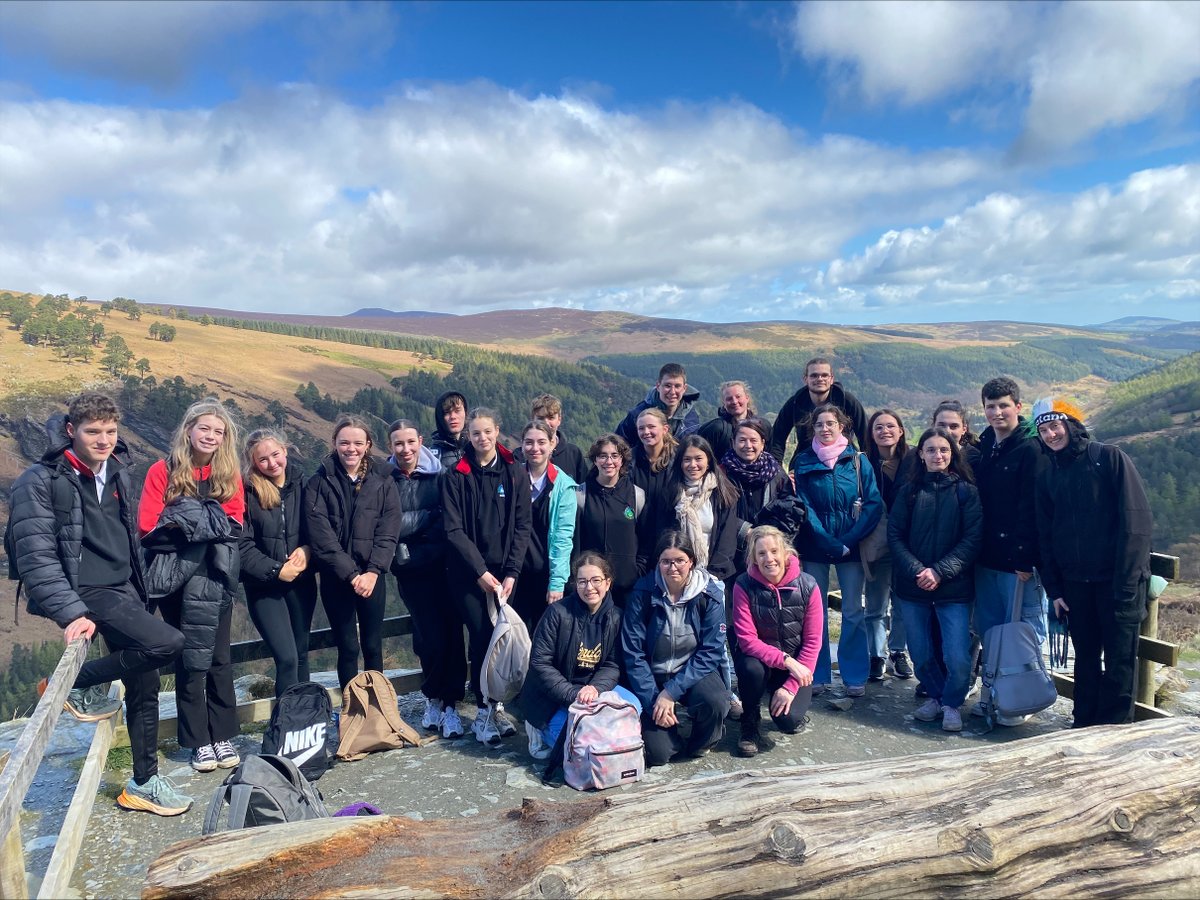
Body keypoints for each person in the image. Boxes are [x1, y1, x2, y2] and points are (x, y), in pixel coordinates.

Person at [11, 392, 190, 815]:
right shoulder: (39, 480)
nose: (104, 440)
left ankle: (144, 782)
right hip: (88, 592)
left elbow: (125, 535)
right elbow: (34, 554)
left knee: (145, 683)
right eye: (94, 432)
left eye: (111, 431)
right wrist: (71, 611)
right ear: (71, 431)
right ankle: (73, 683)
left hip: (126, 587)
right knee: (167, 644)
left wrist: (139, 583)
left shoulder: (117, 471)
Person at [139, 399, 245, 774]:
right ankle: (198, 741)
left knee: (218, 657)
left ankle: (223, 735)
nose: (211, 436)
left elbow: (235, 526)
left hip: (216, 577)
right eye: (205, 428)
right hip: (173, 578)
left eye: (219, 431)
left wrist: (184, 519)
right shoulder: (160, 471)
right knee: (188, 657)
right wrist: (206, 522)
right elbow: (150, 528)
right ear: (188, 430)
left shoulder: (228, 474)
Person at [1033, 398, 1152, 728]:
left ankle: (1115, 731)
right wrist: (1054, 589)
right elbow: (1046, 536)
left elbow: (1136, 522)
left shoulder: (1109, 458)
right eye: (1043, 430)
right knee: (1085, 659)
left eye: (1056, 426)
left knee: (1120, 662)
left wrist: (1127, 583)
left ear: (1071, 425)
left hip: (1116, 583)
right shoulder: (1048, 477)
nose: (1051, 434)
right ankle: (1083, 724)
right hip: (1074, 587)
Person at [440, 407, 533, 746]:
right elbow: (453, 530)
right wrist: (480, 572)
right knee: (481, 638)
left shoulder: (514, 473)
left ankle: (495, 706)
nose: (482, 438)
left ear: (497, 431)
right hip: (467, 575)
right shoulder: (455, 476)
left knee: (502, 640)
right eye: (475, 433)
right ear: (469, 436)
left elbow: (523, 526)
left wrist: (511, 572)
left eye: (487, 432)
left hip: (504, 577)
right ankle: (482, 710)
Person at [888, 428, 983, 732]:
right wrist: (919, 570)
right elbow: (895, 535)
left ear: (952, 454)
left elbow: (972, 539)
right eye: (931, 450)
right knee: (921, 652)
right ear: (921, 454)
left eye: (943, 450)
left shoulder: (966, 491)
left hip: (953, 588)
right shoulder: (910, 491)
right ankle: (938, 697)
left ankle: (952, 703)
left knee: (956, 655)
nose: (937, 455)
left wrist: (939, 571)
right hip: (913, 587)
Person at [790, 404, 882, 696]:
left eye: (831, 423)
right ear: (812, 429)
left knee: (853, 610)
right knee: (814, 612)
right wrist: (829, 541)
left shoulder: (857, 460)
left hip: (851, 546)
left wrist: (849, 540)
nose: (825, 429)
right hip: (815, 546)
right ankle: (816, 673)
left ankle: (854, 674)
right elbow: (804, 505)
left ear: (842, 426)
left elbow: (873, 503)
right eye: (820, 424)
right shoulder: (803, 460)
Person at [305, 415, 401, 691]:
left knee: (373, 645)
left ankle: (378, 710)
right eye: (344, 442)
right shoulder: (319, 482)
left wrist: (372, 572)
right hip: (337, 579)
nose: (351, 448)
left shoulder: (383, 480)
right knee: (347, 647)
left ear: (368, 445)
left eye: (358, 442)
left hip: (373, 577)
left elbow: (389, 529)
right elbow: (321, 536)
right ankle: (352, 710)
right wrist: (351, 574)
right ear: (334, 443)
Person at [622, 531, 729, 766]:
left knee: (716, 701)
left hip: (692, 671)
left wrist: (671, 692)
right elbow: (634, 654)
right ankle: (669, 734)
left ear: (691, 561)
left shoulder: (709, 594)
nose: (673, 568)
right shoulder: (643, 592)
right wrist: (654, 702)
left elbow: (711, 651)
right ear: (658, 563)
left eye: (679, 560)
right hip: (653, 674)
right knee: (660, 754)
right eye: (666, 561)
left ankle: (703, 741)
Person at [387, 418, 465, 740]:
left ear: (420, 440)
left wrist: (415, 533)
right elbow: (388, 525)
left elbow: (448, 519)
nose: (405, 449)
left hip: (442, 566)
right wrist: (425, 519)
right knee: (427, 636)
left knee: (451, 634)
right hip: (410, 571)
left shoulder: (440, 476)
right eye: (398, 444)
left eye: (410, 442)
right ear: (390, 446)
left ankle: (450, 704)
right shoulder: (384, 478)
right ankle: (432, 696)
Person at [522, 552, 639, 759]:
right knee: (579, 748)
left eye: (596, 580)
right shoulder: (557, 613)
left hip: (592, 689)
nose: (589, 587)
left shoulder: (617, 617)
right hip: (556, 693)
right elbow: (540, 663)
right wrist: (572, 694)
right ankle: (537, 728)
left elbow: (612, 664)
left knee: (634, 708)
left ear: (608, 582)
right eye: (582, 581)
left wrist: (595, 688)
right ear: (575, 584)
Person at [239, 428, 317, 699]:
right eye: (263, 460)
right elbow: (241, 545)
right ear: (253, 463)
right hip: (264, 586)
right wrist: (276, 570)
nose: (272, 463)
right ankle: (286, 726)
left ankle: (305, 721)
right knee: (286, 658)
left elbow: (319, 530)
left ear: (285, 450)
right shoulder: (247, 492)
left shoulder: (304, 484)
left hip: (301, 583)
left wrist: (308, 550)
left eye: (275, 454)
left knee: (302, 654)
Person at [731, 526, 822, 757]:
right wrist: (786, 661)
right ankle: (749, 721)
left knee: (788, 721)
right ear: (753, 558)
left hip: (795, 666)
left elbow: (812, 643)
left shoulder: (808, 585)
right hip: (762, 661)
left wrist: (791, 687)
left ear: (785, 552)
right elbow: (747, 640)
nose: (769, 559)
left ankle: (780, 696)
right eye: (761, 553)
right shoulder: (743, 585)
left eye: (774, 551)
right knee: (750, 668)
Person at [973, 377, 1048, 653]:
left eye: (1003, 406)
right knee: (989, 631)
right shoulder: (985, 445)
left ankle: (1024, 695)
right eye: (990, 406)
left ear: (1018, 406)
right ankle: (994, 693)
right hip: (986, 558)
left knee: (1024, 633)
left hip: (1018, 563)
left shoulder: (1032, 449)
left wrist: (1025, 557)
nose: (997, 413)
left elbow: (1034, 507)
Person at [513, 420, 578, 632]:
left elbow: (563, 537)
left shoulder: (563, 486)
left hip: (545, 576)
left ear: (553, 443)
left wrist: (557, 582)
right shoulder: (512, 478)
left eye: (542, 442)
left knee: (544, 641)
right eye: (529, 442)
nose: (535, 448)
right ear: (521, 446)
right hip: (515, 575)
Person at [862, 409, 912, 681]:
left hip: (908, 544)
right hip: (877, 542)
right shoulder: (863, 464)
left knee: (903, 603)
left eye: (890, 426)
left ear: (901, 430)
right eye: (878, 427)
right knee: (876, 602)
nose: (885, 431)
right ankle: (876, 655)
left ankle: (898, 651)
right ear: (871, 434)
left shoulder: (914, 459)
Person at [574, 434, 647, 609]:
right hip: (592, 587)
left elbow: (645, 539)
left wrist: (636, 571)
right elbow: (575, 542)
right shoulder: (580, 495)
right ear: (595, 460)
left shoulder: (637, 495)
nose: (609, 461)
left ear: (622, 460)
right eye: (603, 456)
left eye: (615, 455)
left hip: (628, 586)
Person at [771, 357, 869, 466]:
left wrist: (867, 466)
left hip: (844, 463)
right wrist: (776, 469)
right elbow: (777, 437)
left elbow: (866, 435)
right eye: (814, 375)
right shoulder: (795, 403)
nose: (820, 379)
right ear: (805, 379)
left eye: (824, 375)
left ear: (831, 379)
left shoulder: (847, 401)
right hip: (805, 465)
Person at [615, 362, 701, 445]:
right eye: (667, 386)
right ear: (658, 386)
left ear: (684, 388)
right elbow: (617, 447)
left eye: (677, 386)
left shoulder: (691, 418)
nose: (672, 392)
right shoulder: (637, 416)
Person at [515, 393, 587, 482]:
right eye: (541, 418)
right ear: (533, 419)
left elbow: (583, 490)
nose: (546, 423)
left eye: (551, 418)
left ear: (559, 420)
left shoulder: (574, 454)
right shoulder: (518, 456)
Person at [630, 407, 679, 532]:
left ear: (665, 429)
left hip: (669, 534)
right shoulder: (629, 461)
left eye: (651, 427)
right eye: (641, 428)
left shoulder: (679, 460)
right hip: (636, 534)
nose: (646, 432)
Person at [697, 380, 755, 462]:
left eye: (738, 397)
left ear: (747, 398)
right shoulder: (716, 429)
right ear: (723, 403)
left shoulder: (760, 427)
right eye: (729, 399)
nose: (734, 402)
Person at [931, 399, 981, 471]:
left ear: (964, 429)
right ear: (933, 426)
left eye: (954, 426)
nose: (947, 431)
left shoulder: (973, 458)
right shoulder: (920, 455)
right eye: (941, 425)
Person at [428, 390, 469, 470]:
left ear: (465, 413)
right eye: (447, 413)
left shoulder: (475, 447)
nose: (453, 416)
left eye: (457, 411)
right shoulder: (432, 457)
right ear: (440, 418)